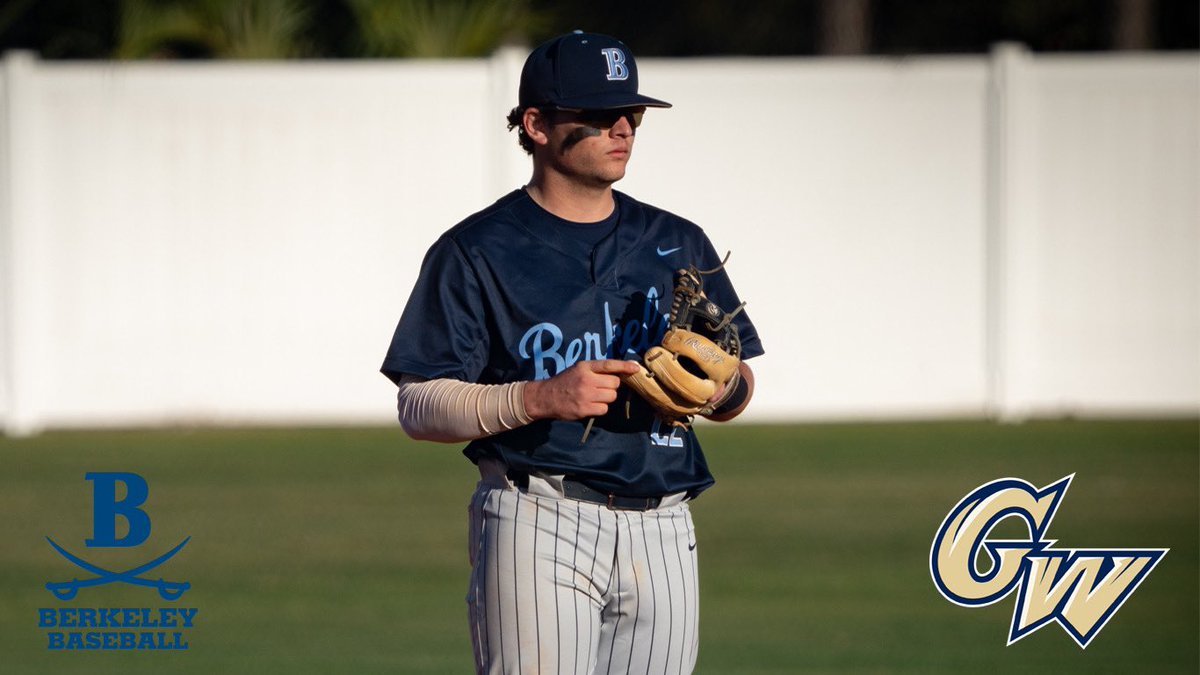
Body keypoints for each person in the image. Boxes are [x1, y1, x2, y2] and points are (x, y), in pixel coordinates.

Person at [381, 30, 763, 675]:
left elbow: (739, 384)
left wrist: (723, 391)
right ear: (536, 125)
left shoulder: (677, 240)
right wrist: (539, 397)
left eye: (631, 113)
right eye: (598, 113)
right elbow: (419, 405)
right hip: (538, 516)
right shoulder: (476, 251)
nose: (622, 128)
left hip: (665, 527)